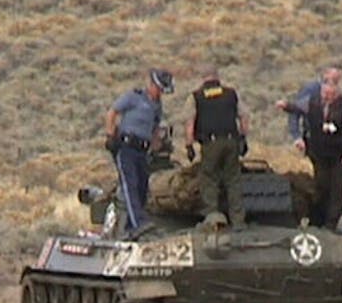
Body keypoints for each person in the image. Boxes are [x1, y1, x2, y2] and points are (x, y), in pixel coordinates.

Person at [276, 77, 342, 230]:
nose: (327, 97)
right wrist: (285, 105)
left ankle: (331, 223)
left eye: (331, 95)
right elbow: (297, 108)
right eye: (325, 94)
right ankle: (318, 220)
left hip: (339, 156)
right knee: (321, 186)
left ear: (336, 94)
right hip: (319, 153)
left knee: (336, 188)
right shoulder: (313, 102)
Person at [104, 68, 173, 237]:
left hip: (143, 150)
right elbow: (112, 112)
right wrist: (110, 134)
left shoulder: (157, 106)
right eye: (159, 88)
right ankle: (139, 224)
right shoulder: (133, 98)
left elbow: (155, 127)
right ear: (151, 84)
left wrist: (157, 145)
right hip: (126, 147)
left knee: (142, 187)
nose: (160, 93)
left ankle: (130, 227)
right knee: (130, 185)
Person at [184, 66, 251, 230]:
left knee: (209, 179)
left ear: (203, 78)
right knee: (233, 180)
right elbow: (244, 115)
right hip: (231, 141)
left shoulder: (196, 97)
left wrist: (189, 145)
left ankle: (213, 219)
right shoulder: (231, 94)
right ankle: (238, 221)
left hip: (210, 143)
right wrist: (243, 137)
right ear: (217, 77)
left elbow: (189, 122)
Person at [277, 65, 342, 154]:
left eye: (337, 79)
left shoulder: (338, 93)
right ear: (325, 74)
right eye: (334, 78)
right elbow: (295, 111)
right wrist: (297, 136)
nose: (335, 81)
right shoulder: (311, 89)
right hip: (312, 138)